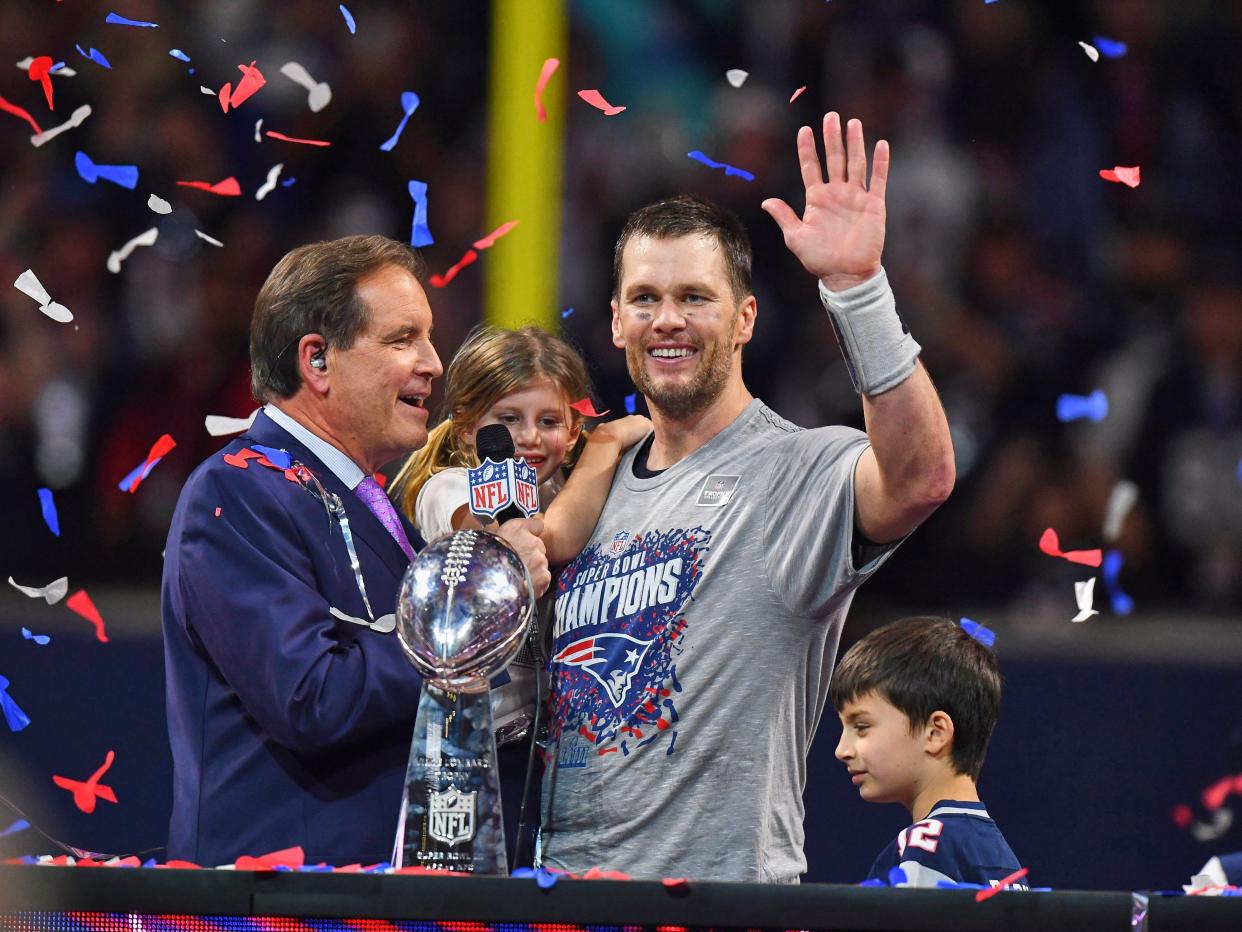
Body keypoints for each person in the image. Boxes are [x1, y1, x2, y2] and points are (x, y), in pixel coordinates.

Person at [537, 112, 955, 883]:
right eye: (645, 298)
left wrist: (856, 289)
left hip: (719, 910)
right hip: (565, 900)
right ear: (617, 323)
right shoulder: (585, 485)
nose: (668, 319)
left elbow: (920, 478)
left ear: (744, 320)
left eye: (695, 297)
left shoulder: (794, 471)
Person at [161, 235, 550, 867]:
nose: (433, 363)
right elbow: (313, 697)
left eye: (428, 337)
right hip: (280, 907)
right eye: (403, 339)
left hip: (367, 896)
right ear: (316, 360)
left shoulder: (369, 501)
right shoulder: (234, 493)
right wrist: (477, 608)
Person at [392, 323, 650, 863]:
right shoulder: (448, 489)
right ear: (467, 430)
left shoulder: (575, 491)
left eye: (549, 421)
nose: (530, 437)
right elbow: (538, 540)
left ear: (572, 430)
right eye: (508, 420)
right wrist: (606, 445)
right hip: (477, 752)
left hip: (560, 757)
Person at [830, 617, 1023, 889]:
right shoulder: (1001, 856)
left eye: (861, 727)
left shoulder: (925, 847)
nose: (842, 750)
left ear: (935, 733)